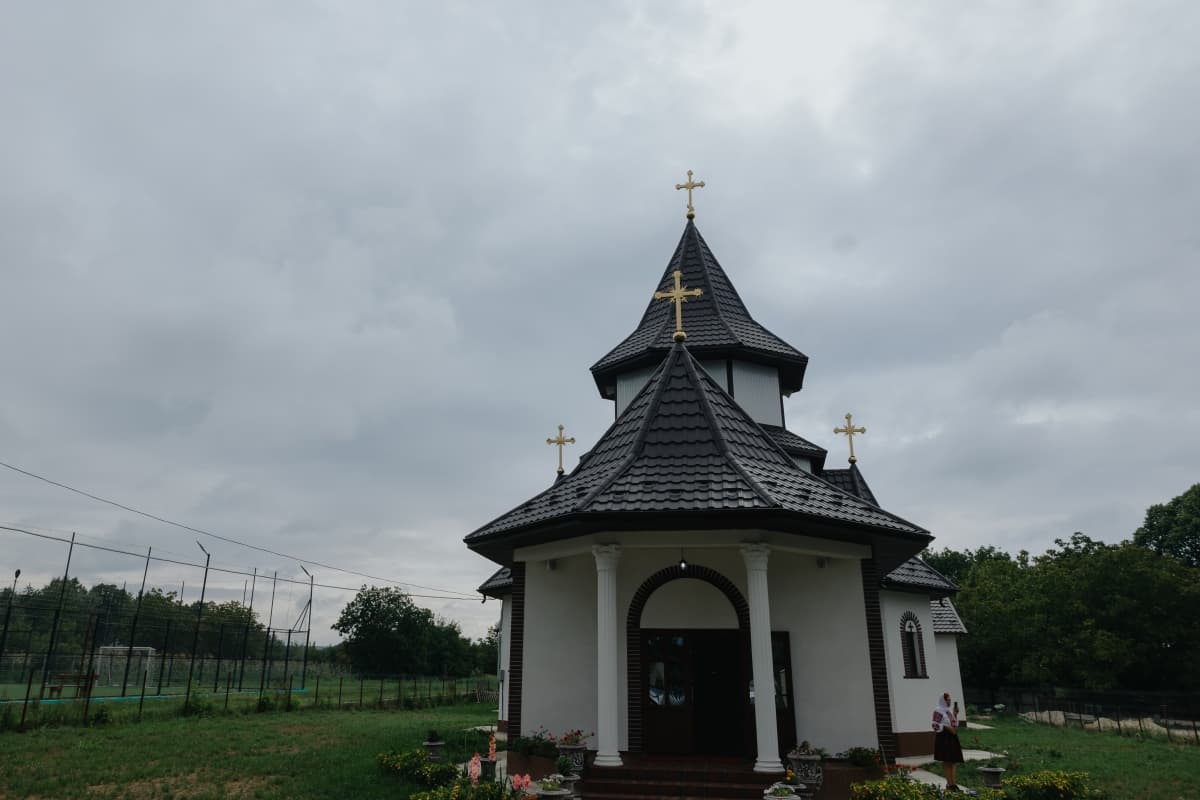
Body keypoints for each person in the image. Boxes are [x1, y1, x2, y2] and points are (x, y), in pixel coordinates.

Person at [933, 691, 968, 793]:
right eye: (947, 700)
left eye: (950, 700)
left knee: (953, 761)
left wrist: (955, 714)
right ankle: (949, 784)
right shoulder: (938, 711)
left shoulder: (949, 711)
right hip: (944, 737)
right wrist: (947, 728)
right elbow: (935, 725)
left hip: (952, 737)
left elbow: (954, 724)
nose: (949, 702)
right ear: (943, 700)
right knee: (947, 760)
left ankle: (954, 784)